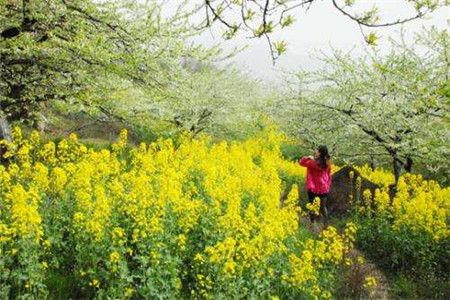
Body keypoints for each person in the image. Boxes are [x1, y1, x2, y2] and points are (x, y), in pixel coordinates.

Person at [299, 145, 332, 225]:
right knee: (323, 207)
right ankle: (326, 223)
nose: (315, 152)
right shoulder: (328, 162)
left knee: (312, 206)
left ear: (320, 153)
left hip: (313, 187)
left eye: (317, 151)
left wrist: (307, 157)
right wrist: (327, 185)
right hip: (323, 187)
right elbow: (329, 174)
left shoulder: (313, 163)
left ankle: (312, 223)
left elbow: (301, 163)